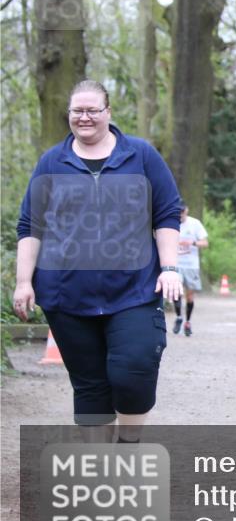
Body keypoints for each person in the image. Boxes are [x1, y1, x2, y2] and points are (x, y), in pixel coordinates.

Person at [13, 79, 183, 442]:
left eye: (92, 110)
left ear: (108, 112)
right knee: (90, 387)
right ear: (69, 115)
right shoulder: (52, 162)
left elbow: (166, 213)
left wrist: (169, 268)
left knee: (133, 369)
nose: (84, 117)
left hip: (134, 290)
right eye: (77, 110)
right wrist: (23, 281)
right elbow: (31, 224)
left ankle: (128, 444)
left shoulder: (140, 156)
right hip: (66, 294)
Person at [173, 204, 208, 336]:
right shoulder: (172, 223)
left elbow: (205, 243)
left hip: (191, 265)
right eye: (179, 213)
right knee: (176, 292)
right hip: (176, 264)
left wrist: (191, 243)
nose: (180, 215)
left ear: (186, 211)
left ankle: (188, 322)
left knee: (190, 295)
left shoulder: (195, 223)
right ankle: (178, 318)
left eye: (182, 213)